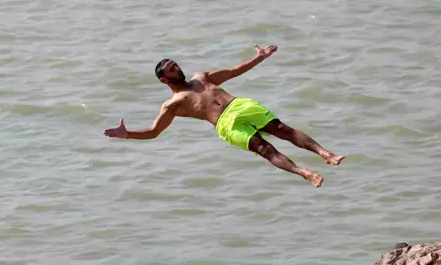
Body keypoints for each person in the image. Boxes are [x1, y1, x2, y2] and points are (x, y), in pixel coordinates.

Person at [103, 44, 344, 187]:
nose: (178, 69)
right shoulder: (173, 104)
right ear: (164, 80)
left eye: (176, 65)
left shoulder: (201, 77)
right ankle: (304, 173)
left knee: (283, 130)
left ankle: (325, 153)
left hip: (240, 105)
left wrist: (259, 58)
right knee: (265, 149)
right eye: (172, 70)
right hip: (225, 124)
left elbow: (233, 71)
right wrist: (127, 134)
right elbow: (154, 131)